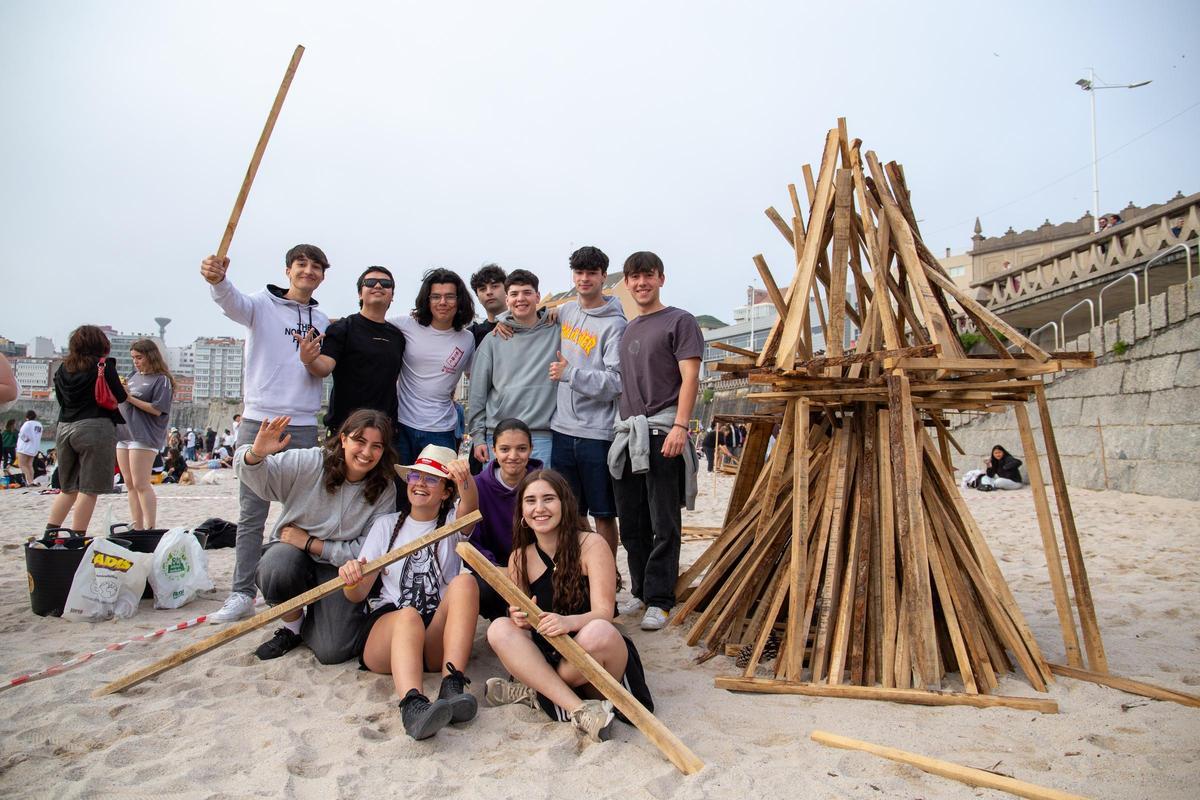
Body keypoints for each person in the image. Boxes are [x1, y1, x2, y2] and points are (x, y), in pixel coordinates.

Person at [201, 244, 331, 623]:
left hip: (305, 423)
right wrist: (218, 279)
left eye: (316, 266)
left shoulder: (321, 319)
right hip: (260, 419)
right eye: (301, 264)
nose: (308, 271)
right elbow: (230, 301)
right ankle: (241, 593)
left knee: (306, 513)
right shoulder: (260, 305)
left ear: (323, 274)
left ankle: (299, 590)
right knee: (251, 511)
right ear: (288, 270)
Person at [485, 469, 652, 743]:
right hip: (550, 656)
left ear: (565, 503)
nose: (539, 508)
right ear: (522, 510)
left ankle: (537, 693)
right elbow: (523, 628)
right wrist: (520, 619)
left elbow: (604, 612)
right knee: (499, 628)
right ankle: (577, 708)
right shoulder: (519, 558)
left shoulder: (591, 544)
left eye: (548, 499)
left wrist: (568, 622)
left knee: (598, 631)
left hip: (595, 660)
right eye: (530, 501)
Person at [338, 444, 481, 739]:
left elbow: (471, 507)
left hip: (433, 637)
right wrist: (351, 579)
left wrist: (465, 480)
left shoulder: (454, 523)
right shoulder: (385, 525)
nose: (420, 484)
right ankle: (412, 706)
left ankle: (452, 684)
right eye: (416, 476)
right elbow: (357, 595)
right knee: (408, 615)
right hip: (388, 636)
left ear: (445, 491)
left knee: (466, 582)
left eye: (431, 479)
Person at [234, 410, 398, 662]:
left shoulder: (384, 488)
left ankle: (318, 619)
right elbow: (260, 481)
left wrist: (313, 544)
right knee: (277, 568)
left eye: (376, 446)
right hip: (292, 553)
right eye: (360, 441)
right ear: (343, 439)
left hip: (339, 566)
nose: (366, 453)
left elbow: (368, 550)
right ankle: (292, 627)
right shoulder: (311, 461)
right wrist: (255, 455)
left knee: (334, 651)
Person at [607, 252, 701, 632]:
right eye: (634, 277)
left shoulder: (680, 320)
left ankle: (661, 600)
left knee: (664, 520)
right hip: (629, 434)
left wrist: (681, 426)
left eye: (648, 275)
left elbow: (690, 376)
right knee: (631, 522)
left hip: (664, 430)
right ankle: (642, 590)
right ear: (627, 283)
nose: (641, 282)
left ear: (661, 278)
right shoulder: (628, 328)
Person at [548, 246, 626, 557]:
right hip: (562, 429)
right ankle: (583, 572)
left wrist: (571, 374)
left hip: (597, 433)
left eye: (591, 273)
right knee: (573, 511)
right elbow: (531, 315)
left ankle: (608, 575)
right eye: (579, 273)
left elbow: (617, 382)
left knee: (604, 513)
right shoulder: (565, 311)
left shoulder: (615, 324)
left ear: (603, 276)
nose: (584, 279)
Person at [298, 265, 405, 437]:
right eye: (370, 282)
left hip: (384, 432)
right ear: (360, 293)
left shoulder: (397, 336)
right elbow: (324, 367)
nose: (378, 286)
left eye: (385, 283)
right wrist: (308, 359)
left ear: (392, 295)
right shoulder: (343, 328)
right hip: (345, 430)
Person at [467, 269, 559, 466]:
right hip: (499, 437)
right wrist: (478, 437)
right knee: (498, 496)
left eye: (527, 292)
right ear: (507, 300)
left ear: (538, 296)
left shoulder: (557, 330)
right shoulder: (492, 340)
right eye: (514, 294)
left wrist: (560, 310)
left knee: (538, 496)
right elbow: (477, 393)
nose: (521, 299)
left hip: (542, 437)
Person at [387, 269, 476, 466]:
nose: (442, 302)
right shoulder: (406, 324)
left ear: (459, 300)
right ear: (427, 300)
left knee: (439, 490)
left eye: (449, 296)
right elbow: (369, 324)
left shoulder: (467, 339)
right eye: (436, 296)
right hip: (402, 425)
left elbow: (474, 378)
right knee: (400, 489)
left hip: (442, 429)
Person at [45, 325, 128, 534]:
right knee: (89, 490)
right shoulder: (103, 365)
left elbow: (62, 400)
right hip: (95, 426)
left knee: (67, 489)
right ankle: (77, 537)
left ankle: (50, 533)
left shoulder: (63, 368)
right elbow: (120, 397)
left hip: (65, 427)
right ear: (101, 344)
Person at [467, 418, 542, 620]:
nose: (513, 456)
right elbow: (471, 542)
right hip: (497, 571)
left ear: (531, 449)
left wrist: (528, 568)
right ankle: (502, 619)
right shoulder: (478, 487)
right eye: (505, 449)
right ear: (493, 450)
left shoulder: (544, 483)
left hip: (538, 568)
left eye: (521, 449)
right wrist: (499, 569)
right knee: (477, 587)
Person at [116, 339, 175, 530]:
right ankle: (137, 525)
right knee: (130, 483)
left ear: (150, 356)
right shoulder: (133, 376)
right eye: (133, 358)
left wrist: (129, 398)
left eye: (139, 357)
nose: (136, 361)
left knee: (141, 483)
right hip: (124, 432)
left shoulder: (161, 380)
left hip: (144, 434)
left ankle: (150, 527)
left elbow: (157, 409)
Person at [468, 263, 508, 347]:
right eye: (483, 289)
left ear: (507, 290)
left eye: (494, 286)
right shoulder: (472, 335)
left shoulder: (524, 323)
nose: (489, 292)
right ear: (478, 297)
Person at [17, 410, 45, 488]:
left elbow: (22, 434)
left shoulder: (27, 424)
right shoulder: (39, 424)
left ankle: (28, 481)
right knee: (29, 465)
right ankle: (31, 480)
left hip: (24, 447)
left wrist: (26, 440)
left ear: (27, 417)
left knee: (22, 465)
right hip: (34, 447)